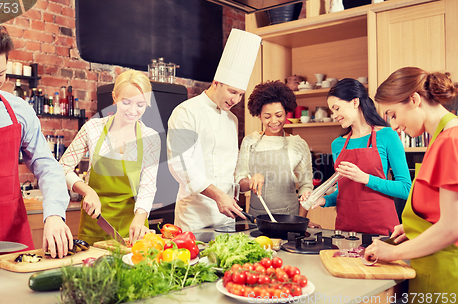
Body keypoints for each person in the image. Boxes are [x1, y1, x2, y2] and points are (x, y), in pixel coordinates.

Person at [0, 24, 72, 263]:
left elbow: (45, 165)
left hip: (12, 239)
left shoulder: (18, 110)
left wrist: (54, 214)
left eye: (0, 74)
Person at [365, 67, 458, 304]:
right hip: (432, 266)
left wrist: (392, 253)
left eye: (393, 114)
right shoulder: (440, 138)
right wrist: (416, 228)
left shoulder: (451, 139)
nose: (393, 126)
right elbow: (442, 212)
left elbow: (452, 227)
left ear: (415, 99)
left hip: (446, 274)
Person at [167, 29, 261, 231]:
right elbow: (180, 165)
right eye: (232, 92)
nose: (236, 100)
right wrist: (218, 195)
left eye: (241, 94)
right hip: (193, 217)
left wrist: (245, 183)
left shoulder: (232, 120)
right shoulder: (186, 112)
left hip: (226, 216)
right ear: (216, 83)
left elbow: (227, 169)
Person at [59, 69, 160, 245]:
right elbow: (62, 168)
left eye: (140, 105)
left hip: (133, 228)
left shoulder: (150, 138)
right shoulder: (93, 129)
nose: (133, 110)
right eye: (126, 102)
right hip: (95, 226)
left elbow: (148, 185)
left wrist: (140, 216)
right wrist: (87, 191)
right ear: (114, 98)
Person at [308, 78, 411, 236]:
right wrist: (323, 200)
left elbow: (406, 189)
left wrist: (365, 178)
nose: (334, 115)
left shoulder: (387, 135)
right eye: (331, 111)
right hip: (346, 229)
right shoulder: (338, 144)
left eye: (336, 108)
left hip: (381, 230)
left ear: (355, 102)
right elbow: (345, 191)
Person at [235, 80, 320, 228]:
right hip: (257, 219)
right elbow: (240, 184)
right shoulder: (250, 141)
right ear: (259, 116)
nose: (274, 121)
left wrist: (301, 222)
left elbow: (306, 186)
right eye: (267, 117)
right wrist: (251, 181)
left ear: (287, 113)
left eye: (279, 115)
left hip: (289, 218)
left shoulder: (298, 144)